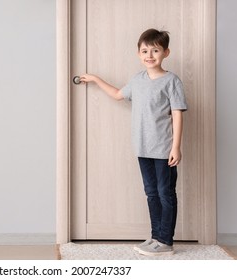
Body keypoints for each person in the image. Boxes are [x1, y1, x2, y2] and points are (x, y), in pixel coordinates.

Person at [80, 28, 187, 256]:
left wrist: (176, 146)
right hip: (142, 147)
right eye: (145, 50)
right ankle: (156, 236)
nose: (149, 55)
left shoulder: (171, 81)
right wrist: (96, 79)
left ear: (165, 52)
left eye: (155, 50)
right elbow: (119, 94)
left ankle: (166, 241)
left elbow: (177, 113)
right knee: (151, 193)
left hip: (164, 148)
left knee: (165, 193)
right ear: (139, 53)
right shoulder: (137, 80)